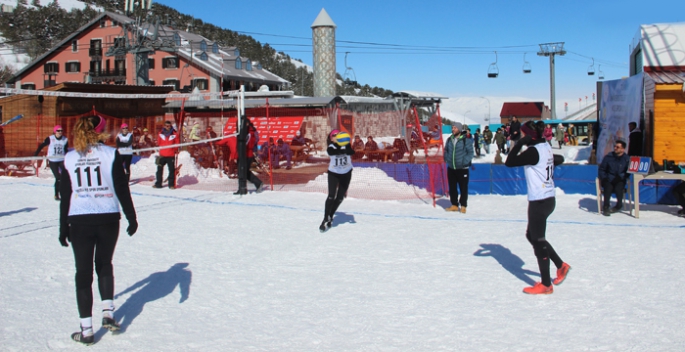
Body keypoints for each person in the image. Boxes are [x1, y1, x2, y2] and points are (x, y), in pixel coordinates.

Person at [59, 114, 138, 345]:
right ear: (100, 130)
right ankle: (108, 313)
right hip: (108, 218)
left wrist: (63, 227)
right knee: (104, 265)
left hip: (80, 220)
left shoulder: (70, 157)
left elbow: (65, 196)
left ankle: (86, 331)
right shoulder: (110, 154)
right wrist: (132, 217)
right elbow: (122, 188)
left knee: (82, 275)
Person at [505, 120, 569, 295]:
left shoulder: (533, 151)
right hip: (547, 199)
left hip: (539, 201)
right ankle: (560, 265)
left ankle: (546, 284)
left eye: (523, 134)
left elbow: (509, 162)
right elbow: (558, 158)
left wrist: (519, 144)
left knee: (538, 240)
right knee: (531, 235)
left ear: (528, 137)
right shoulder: (545, 146)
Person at [320, 129, 355, 232]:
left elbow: (351, 152)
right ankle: (326, 217)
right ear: (331, 138)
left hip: (346, 173)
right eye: (334, 135)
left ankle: (331, 215)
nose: (336, 136)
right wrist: (342, 149)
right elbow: (331, 152)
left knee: (340, 198)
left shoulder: (347, 145)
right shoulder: (331, 147)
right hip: (334, 174)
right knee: (331, 196)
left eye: (338, 134)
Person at [443, 122, 474, 213]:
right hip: (451, 168)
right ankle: (454, 205)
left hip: (462, 168)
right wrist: (447, 158)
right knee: (452, 187)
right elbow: (446, 150)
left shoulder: (465, 140)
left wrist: (464, 162)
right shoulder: (449, 140)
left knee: (463, 187)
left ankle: (463, 205)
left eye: (455, 128)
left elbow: (470, 153)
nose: (453, 129)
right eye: (452, 128)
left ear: (459, 129)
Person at [35, 125, 69, 200]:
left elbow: (66, 150)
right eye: (58, 131)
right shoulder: (50, 139)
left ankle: (64, 193)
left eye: (61, 131)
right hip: (53, 161)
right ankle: (56, 194)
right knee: (58, 177)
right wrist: (35, 156)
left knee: (65, 176)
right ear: (55, 131)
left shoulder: (65, 139)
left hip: (61, 160)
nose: (60, 132)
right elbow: (41, 146)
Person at [598, 140, 630, 216]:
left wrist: (622, 177)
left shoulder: (626, 159)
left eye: (618, 147)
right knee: (608, 187)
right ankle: (606, 206)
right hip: (609, 178)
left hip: (620, 179)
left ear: (622, 149)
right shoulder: (608, 157)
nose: (615, 148)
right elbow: (602, 169)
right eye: (615, 146)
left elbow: (628, 171)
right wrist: (604, 178)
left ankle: (619, 205)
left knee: (619, 188)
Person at [234, 119, 263, 195]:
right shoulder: (245, 132)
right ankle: (243, 188)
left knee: (243, 172)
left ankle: (257, 183)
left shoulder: (250, 133)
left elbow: (246, 144)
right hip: (243, 154)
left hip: (247, 155)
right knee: (243, 172)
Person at [153, 121, 179, 189]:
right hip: (162, 154)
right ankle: (158, 184)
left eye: (169, 126)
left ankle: (171, 185)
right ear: (164, 126)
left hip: (170, 155)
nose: (168, 127)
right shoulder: (160, 133)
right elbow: (159, 142)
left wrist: (175, 150)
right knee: (159, 170)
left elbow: (177, 143)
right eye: (166, 126)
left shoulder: (174, 134)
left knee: (171, 170)